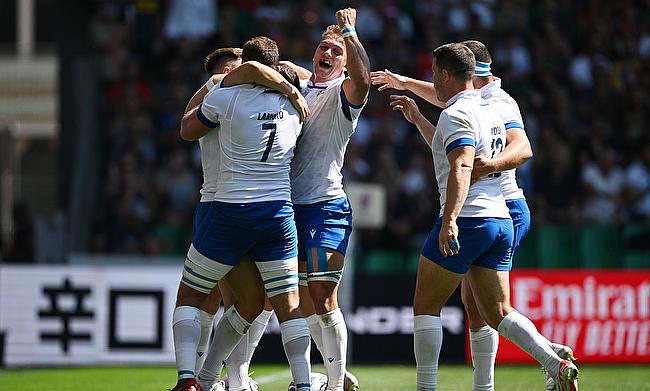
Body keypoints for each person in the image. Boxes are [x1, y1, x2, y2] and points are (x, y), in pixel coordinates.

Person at [371, 40, 576, 391]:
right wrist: (418, 115)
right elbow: (449, 148)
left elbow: (467, 163)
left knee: (426, 304)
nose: (432, 80)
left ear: (454, 73)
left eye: (435, 73)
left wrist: (450, 218)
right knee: (492, 311)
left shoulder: (480, 106)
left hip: (473, 215)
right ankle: (549, 362)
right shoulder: (487, 109)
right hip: (498, 219)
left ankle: (427, 387)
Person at [170, 36, 312, 391]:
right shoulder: (295, 104)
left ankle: (200, 377)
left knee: (230, 301)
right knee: (278, 303)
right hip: (274, 213)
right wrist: (289, 86)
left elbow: (187, 127)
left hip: (228, 209)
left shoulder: (222, 97)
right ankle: (301, 383)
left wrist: (220, 83)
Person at [281, 8, 370, 391]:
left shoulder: (344, 93)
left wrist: (349, 32)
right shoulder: (299, 86)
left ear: (345, 64)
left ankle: (333, 385)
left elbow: (364, 79)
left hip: (325, 205)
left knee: (323, 293)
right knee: (298, 299)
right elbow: (283, 64)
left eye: (337, 51)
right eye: (324, 47)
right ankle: (339, 373)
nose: (329, 53)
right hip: (288, 206)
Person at [183, 46, 278, 391]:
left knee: (261, 298)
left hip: (256, 207)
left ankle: (232, 373)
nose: (240, 75)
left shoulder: (249, 103)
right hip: (218, 205)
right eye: (231, 70)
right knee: (210, 297)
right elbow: (186, 124)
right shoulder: (218, 101)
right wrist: (212, 84)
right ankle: (197, 376)